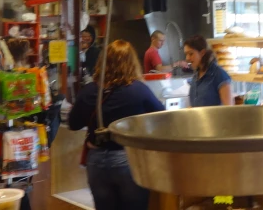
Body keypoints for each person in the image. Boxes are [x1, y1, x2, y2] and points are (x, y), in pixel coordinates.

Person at [68, 40, 164, 210]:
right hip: (129, 160)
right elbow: (162, 118)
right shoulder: (138, 90)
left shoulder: (90, 91)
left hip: (96, 161)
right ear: (131, 62)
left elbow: (73, 124)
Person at [183, 35, 232, 107]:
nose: (187, 58)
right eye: (186, 54)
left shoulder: (219, 75)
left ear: (202, 53)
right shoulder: (196, 76)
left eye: (191, 54)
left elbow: (229, 109)